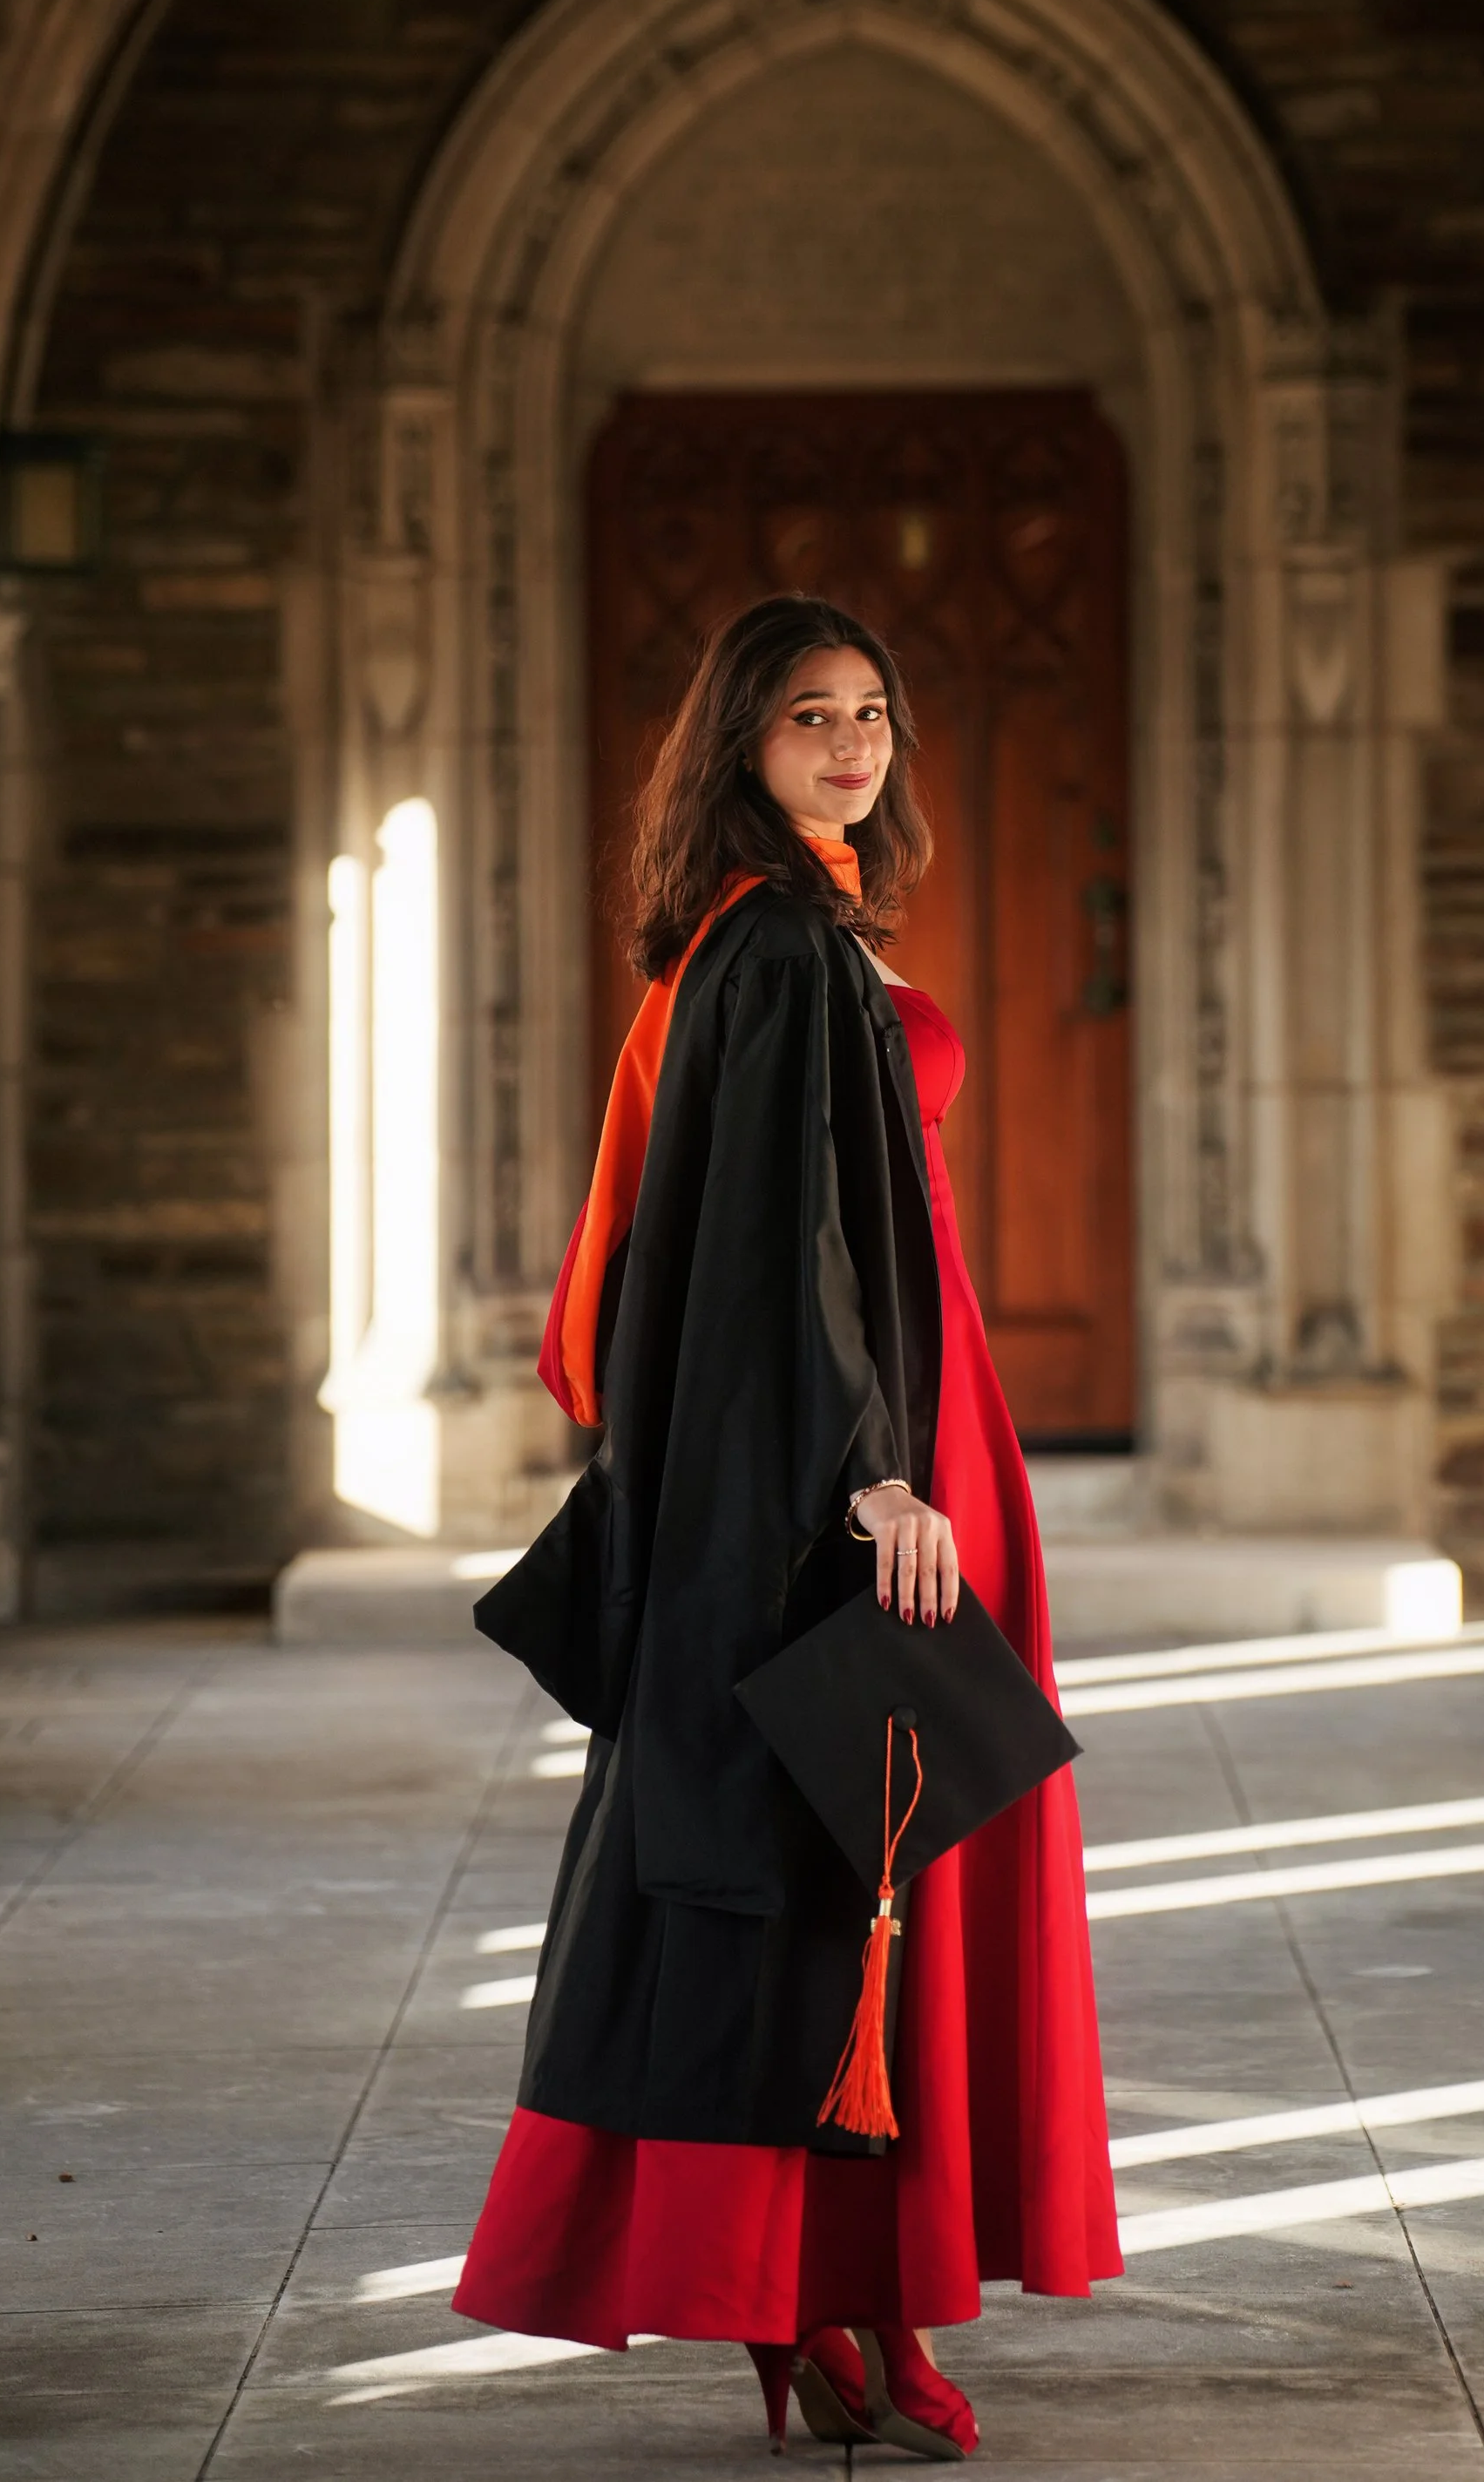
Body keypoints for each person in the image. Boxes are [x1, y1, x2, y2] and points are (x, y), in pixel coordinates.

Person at [454, 593, 1121, 2458]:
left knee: (881, 1877)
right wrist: (875, 1472)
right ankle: (828, 2309)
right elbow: (773, 1259)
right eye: (805, 716)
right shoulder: (773, 954)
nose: (848, 742)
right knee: (847, 1883)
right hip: (855, 1478)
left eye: (871, 712)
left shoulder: (796, 934)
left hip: (913, 1436)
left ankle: (852, 2305)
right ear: (737, 745)